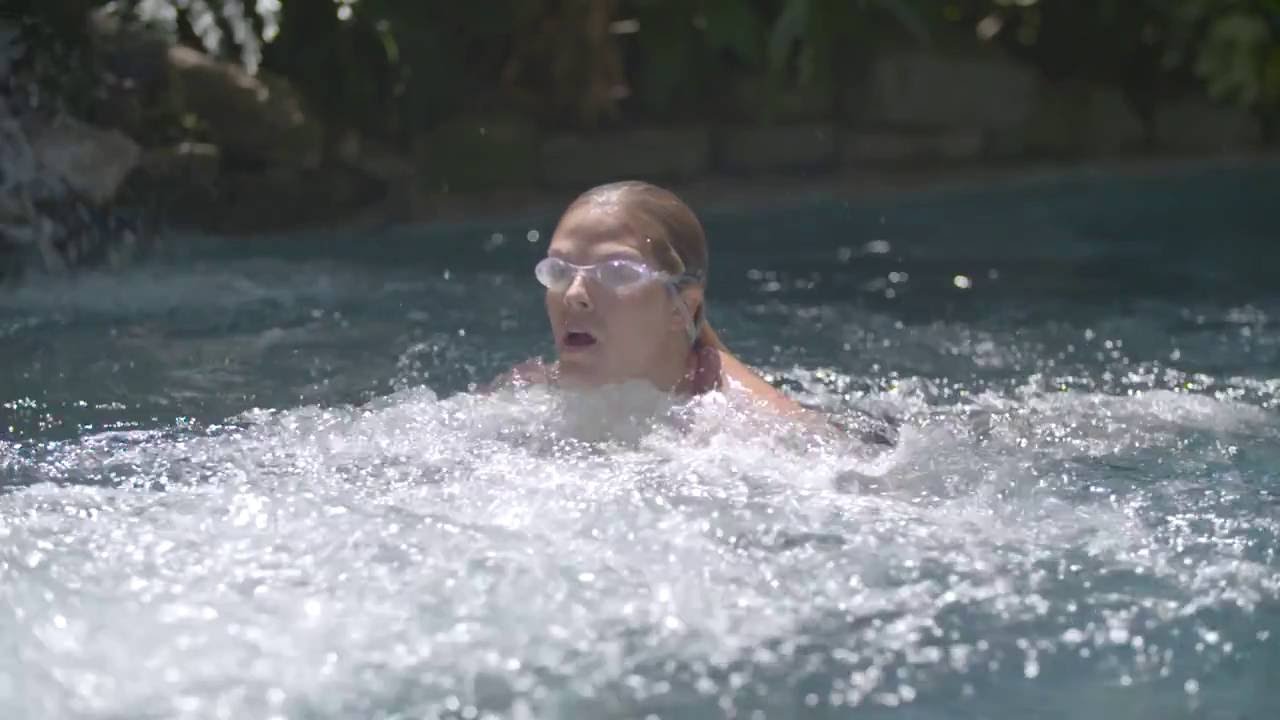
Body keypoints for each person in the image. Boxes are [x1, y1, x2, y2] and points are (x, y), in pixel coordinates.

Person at [489, 179, 820, 422]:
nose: (574, 294)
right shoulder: (522, 395)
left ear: (683, 307)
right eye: (559, 270)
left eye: (616, 272)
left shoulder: (759, 424)